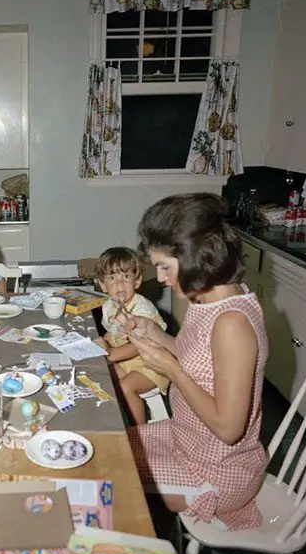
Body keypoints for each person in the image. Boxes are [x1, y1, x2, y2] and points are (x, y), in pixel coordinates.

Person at [119, 193, 268, 531]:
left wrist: (169, 368)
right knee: (106, 445)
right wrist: (156, 335)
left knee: (105, 473)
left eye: (165, 267)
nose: (160, 278)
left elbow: (229, 430)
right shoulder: (211, 300)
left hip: (216, 470)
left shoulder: (232, 323)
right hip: (185, 437)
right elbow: (201, 360)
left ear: (197, 258)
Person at [97, 247, 169, 426]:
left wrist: (111, 354)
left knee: (124, 387)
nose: (119, 284)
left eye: (126, 276)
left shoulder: (142, 309)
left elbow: (139, 345)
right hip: (127, 363)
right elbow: (112, 333)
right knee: (99, 376)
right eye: (112, 278)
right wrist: (102, 342)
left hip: (152, 365)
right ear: (103, 285)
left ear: (137, 281)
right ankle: (113, 421)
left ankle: (137, 432)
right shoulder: (108, 306)